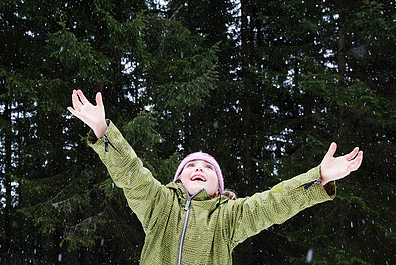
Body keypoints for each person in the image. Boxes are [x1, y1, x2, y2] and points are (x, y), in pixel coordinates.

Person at [68, 90, 363, 265]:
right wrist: (103, 132)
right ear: (178, 178)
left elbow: (274, 204)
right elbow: (130, 173)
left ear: (219, 186)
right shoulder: (158, 205)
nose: (199, 169)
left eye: (208, 168)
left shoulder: (229, 218)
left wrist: (319, 177)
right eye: (191, 166)